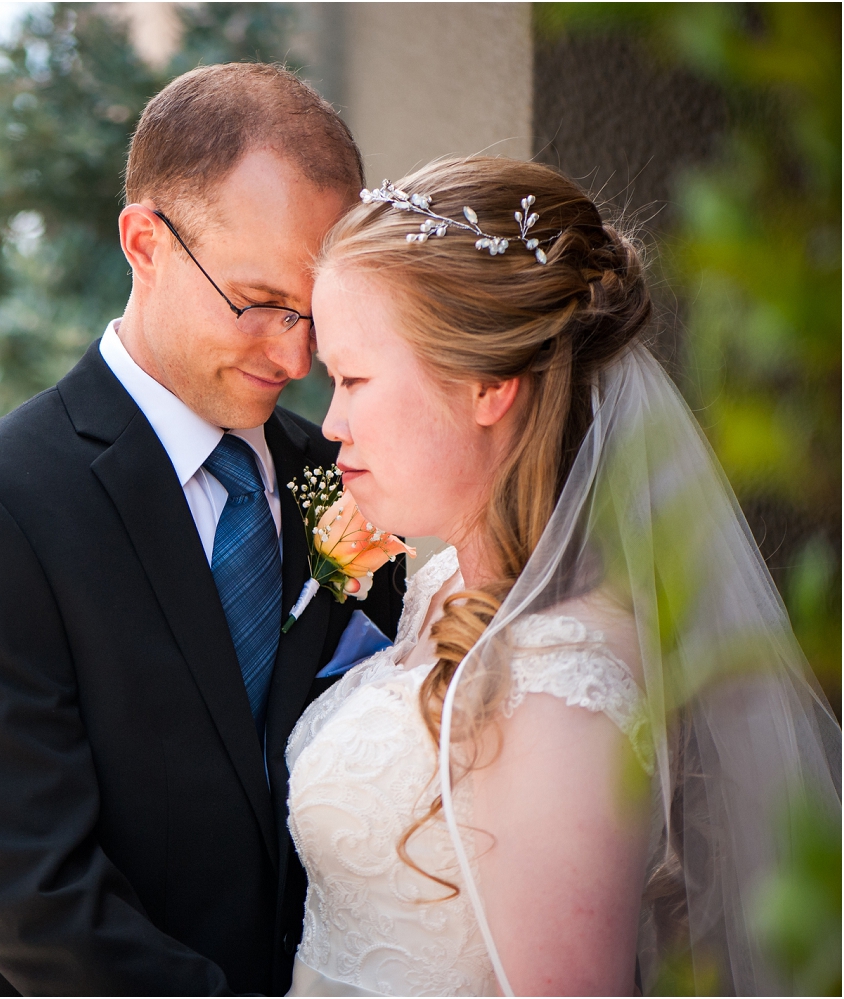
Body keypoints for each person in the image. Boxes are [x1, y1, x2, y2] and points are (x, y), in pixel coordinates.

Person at [0, 63, 405, 995]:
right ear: (145, 242)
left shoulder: (345, 481)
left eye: (314, 313)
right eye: (256, 302)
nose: (294, 356)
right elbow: (32, 895)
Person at [287, 156, 841, 996]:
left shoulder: (559, 687)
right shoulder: (447, 586)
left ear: (488, 386)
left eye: (355, 379)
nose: (332, 425)